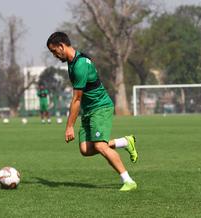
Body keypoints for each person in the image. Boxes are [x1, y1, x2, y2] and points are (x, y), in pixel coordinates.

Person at [47, 32, 138, 191]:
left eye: (54, 51)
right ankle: (124, 142)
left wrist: (69, 126)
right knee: (85, 149)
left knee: (100, 146)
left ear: (62, 46)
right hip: (89, 110)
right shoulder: (73, 60)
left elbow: (76, 99)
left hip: (100, 107)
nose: (54, 55)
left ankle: (128, 180)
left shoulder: (80, 65)